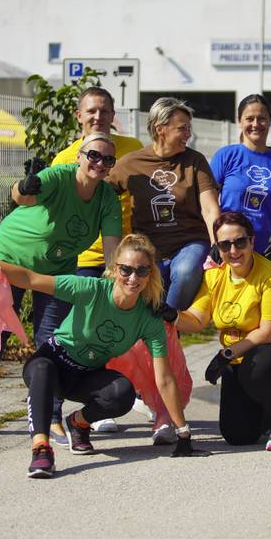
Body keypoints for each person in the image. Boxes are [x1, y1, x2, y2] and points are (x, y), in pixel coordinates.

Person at [0, 226, 209, 478]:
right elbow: (30, 278)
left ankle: (78, 423)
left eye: (142, 271)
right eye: (126, 269)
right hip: (52, 363)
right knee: (43, 370)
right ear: (114, 269)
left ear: (151, 274)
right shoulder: (90, 289)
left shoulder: (148, 319)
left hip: (86, 376)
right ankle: (41, 449)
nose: (133, 277)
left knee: (122, 394)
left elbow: (165, 379)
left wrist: (184, 433)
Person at [0, 132, 123, 442]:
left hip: (56, 271)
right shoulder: (59, 176)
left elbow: (113, 253)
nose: (99, 163)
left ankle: (52, 415)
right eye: (93, 156)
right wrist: (24, 185)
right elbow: (21, 196)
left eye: (107, 159)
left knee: (54, 343)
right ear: (79, 157)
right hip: (10, 259)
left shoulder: (106, 200)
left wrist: (114, 288)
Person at [106, 97, 221, 444]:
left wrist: (217, 241)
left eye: (188, 127)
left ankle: (162, 326)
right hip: (149, 251)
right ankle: (159, 345)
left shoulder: (194, 161)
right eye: (182, 127)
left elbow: (208, 205)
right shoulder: (131, 163)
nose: (188, 133)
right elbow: (98, 188)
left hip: (189, 243)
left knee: (186, 272)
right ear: (160, 129)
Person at [171, 212, 271, 451]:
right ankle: (265, 411)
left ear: (252, 241)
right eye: (225, 245)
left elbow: (270, 332)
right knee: (238, 434)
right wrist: (170, 315)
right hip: (241, 353)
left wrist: (226, 354)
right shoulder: (214, 275)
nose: (233, 251)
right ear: (218, 247)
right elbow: (196, 319)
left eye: (240, 242)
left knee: (256, 370)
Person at [51, 86, 145, 434]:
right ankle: (91, 407)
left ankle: (136, 394)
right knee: (82, 335)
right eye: (91, 111)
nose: (98, 117)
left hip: (123, 260)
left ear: (113, 114)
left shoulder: (132, 149)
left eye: (104, 111)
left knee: (125, 330)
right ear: (79, 115)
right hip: (78, 260)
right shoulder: (64, 158)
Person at [210, 94, 271, 267]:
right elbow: (209, 205)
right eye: (249, 119)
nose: (256, 124)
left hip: (267, 252)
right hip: (230, 250)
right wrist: (216, 242)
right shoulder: (226, 156)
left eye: (261, 118)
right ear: (239, 121)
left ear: (270, 121)